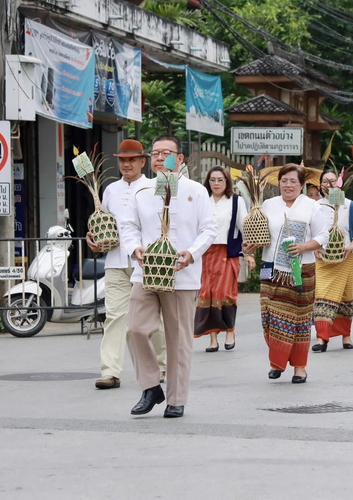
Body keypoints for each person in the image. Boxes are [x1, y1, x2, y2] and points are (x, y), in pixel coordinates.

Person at [120, 135, 217, 418]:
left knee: (178, 340)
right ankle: (151, 385)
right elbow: (128, 226)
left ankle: (176, 399)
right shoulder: (141, 191)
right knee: (135, 329)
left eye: (167, 153)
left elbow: (208, 230)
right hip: (146, 272)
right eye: (155, 153)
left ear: (181, 159)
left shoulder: (196, 191)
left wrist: (191, 253)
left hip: (182, 277)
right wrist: (134, 248)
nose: (160, 158)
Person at [88, 139, 167, 390]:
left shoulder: (154, 188)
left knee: (150, 319)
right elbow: (105, 226)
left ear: (142, 162)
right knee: (113, 316)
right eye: (122, 160)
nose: (126, 164)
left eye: (131, 159)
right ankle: (110, 372)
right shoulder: (110, 190)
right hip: (114, 261)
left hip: (145, 263)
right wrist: (93, 239)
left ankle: (161, 366)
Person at [243, 164, 329, 383]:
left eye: (293, 181)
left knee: (299, 319)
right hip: (268, 268)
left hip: (301, 269)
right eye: (284, 181)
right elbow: (259, 233)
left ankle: (299, 367)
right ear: (278, 183)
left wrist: (304, 246)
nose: (288, 185)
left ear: (301, 185)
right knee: (269, 316)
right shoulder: (268, 204)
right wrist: (250, 245)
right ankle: (277, 361)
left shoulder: (311, 206)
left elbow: (323, 236)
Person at [194, 166, 253, 352]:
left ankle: (229, 330)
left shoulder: (236, 201)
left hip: (227, 253)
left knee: (226, 293)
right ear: (208, 182)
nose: (216, 183)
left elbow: (244, 228)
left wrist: (249, 254)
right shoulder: (202, 201)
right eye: (213, 180)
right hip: (205, 254)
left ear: (227, 182)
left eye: (220, 180)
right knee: (207, 294)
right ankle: (213, 338)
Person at [312, 170, 353, 351]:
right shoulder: (315, 207)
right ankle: (321, 338)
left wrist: (351, 247)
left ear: (340, 183)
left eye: (333, 181)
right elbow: (309, 233)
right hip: (322, 260)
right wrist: (314, 249)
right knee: (321, 296)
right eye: (325, 181)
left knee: (345, 298)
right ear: (320, 185)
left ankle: (346, 335)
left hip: (346, 259)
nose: (329, 185)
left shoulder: (350, 206)